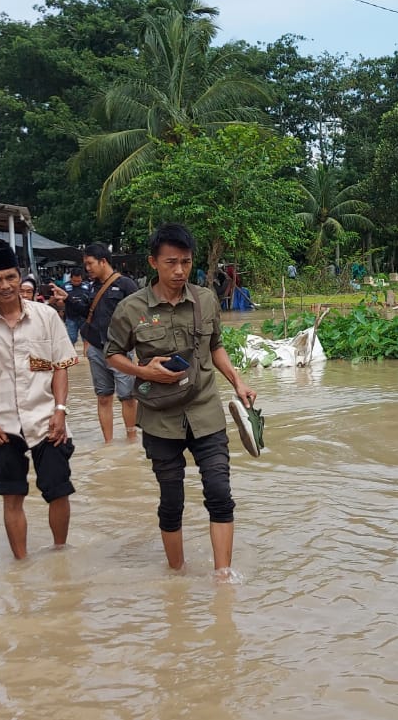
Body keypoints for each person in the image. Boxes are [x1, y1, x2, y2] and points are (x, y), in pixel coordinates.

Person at [106, 223, 256, 582]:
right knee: (171, 500)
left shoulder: (205, 300)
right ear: (153, 262)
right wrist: (144, 371)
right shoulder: (131, 308)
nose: (179, 271)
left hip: (206, 409)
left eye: (186, 262)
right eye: (171, 262)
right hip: (159, 417)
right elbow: (112, 353)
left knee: (220, 492)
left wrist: (238, 381)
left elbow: (215, 345)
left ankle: (223, 577)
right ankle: (176, 576)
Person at [0, 248, 79, 560]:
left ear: (19, 276)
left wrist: (60, 412)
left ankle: (60, 553)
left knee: (58, 491)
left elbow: (60, 366)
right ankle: (21, 564)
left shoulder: (46, 316)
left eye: (11, 277)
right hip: (2, 423)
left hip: (47, 418)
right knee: (12, 495)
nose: (6, 285)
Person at [79, 244, 140, 443]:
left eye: (90, 263)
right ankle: (108, 443)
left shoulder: (126, 285)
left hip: (121, 350)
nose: (87, 268)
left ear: (103, 261)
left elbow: (140, 319)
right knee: (103, 396)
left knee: (127, 396)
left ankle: (131, 439)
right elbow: (89, 316)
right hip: (97, 348)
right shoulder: (91, 286)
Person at [52, 268, 91, 344]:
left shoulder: (87, 286)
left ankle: (87, 355)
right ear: (70, 278)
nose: (77, 283)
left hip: (84, 317)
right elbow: (59, 301)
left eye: (79, 281)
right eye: (74, 281)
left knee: (87, 339)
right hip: (71, 317)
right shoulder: (64, 287)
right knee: (71, 338)